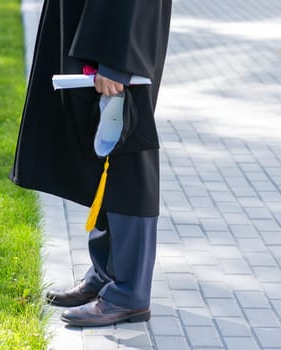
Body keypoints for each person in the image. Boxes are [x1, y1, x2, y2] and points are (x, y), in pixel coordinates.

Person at [10, 0, 172, 327]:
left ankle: (129, 293)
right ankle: (107, 272)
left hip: (120, 42)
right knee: (103, 147)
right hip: (97, 30)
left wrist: (117, 60)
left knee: (128, 148)